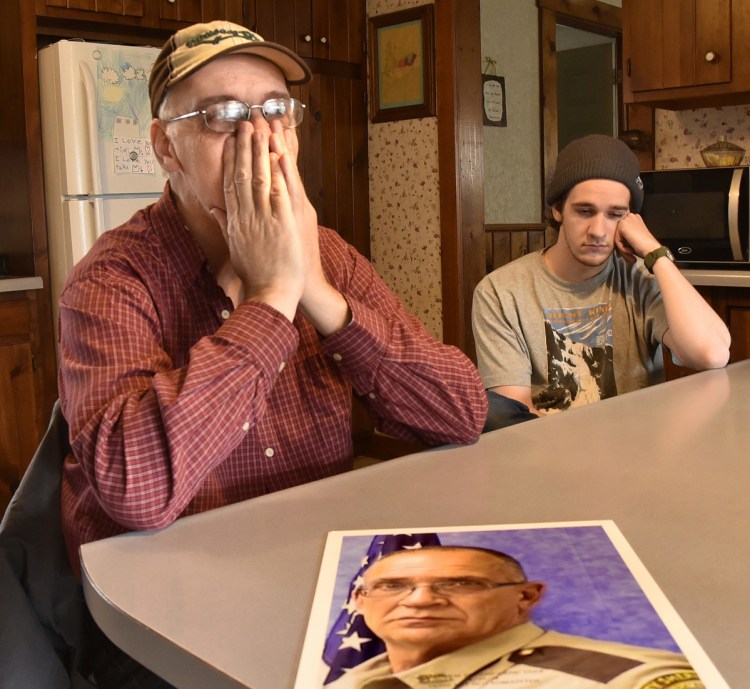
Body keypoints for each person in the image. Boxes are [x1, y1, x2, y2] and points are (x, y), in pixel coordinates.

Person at [55, 20, 487, 687]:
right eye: (224, 116)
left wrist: (315, 289)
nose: (260, 138)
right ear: (166, 149)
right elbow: (135, 487)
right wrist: (270, 298)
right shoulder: (114, 280)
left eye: (276, 111)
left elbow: (460, 410)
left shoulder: (328, 254)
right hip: (157, 617)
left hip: (318, 588)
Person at [473, 134, 731, 430]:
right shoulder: (501, 291)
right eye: (585, 211)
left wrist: (654, 252)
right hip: (545, 458)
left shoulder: (641, 280)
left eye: (614, 215)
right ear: (557, 210)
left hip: (639, 453)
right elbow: (513, 420)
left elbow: (711, 354)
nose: (598, 230)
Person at [327, 546, 704, 688]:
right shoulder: (357, 680)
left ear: (526, 596)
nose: (421, 600)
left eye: (459, 584)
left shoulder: (630, 679)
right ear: (360, 601)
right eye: (393, 586)